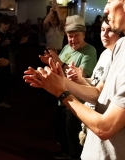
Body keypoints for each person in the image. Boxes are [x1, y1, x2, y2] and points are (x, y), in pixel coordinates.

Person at [24, 0, 125, 159]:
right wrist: (59, 82)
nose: (105, 8)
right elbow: (98, 92)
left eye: (110, 1)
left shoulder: (94, 50)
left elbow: (105, 128)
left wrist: (62, 92)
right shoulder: (118, 48)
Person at [40, 16, 97, 160]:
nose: (72, 40)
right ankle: (65, 152)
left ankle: (73, 155)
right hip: (62, 96)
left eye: (76, 36)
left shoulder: (90, 51)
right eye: (70, 36)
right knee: (60, 127)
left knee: (73, 134)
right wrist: (51, 63)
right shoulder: (66, 47)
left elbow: (80, 76)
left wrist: (59, 62)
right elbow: (60, 71)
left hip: (78, 100)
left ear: (84, 34)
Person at [66, 15, 124, 146]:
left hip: (104, 116)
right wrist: (80, 78)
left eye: (110, 30)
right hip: (92, 111)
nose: (105, 34)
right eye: (103, 30)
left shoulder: (118, 58)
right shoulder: (105, 54)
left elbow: (99, 93)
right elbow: (95, 83)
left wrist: (62, 87)